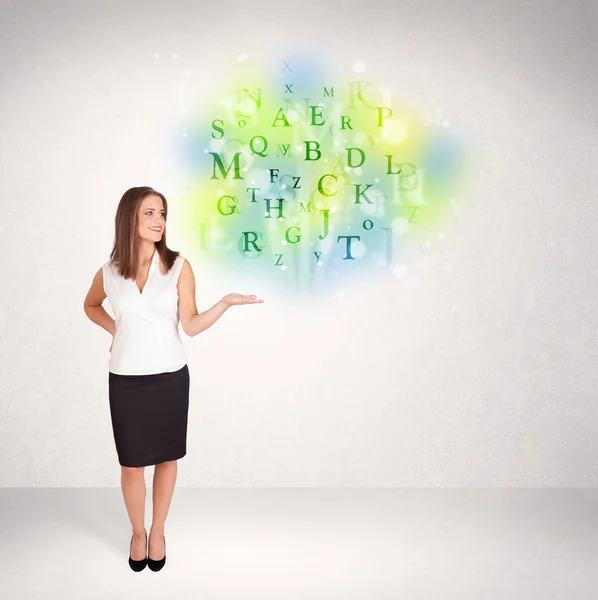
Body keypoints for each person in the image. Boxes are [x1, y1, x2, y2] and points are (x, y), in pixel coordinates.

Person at [83, 186, 264, 571]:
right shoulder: (109, 272)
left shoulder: (179, 266)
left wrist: (226, 302)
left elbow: (192, 325)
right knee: (131, 464)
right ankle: (137, 532)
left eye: (162, 213)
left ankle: (159, 530)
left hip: (169, 377)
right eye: (150, 213)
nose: (159, 221)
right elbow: (90, 305)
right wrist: (117, 330)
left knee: (167, 459)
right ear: (129, 217)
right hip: (126, 378)